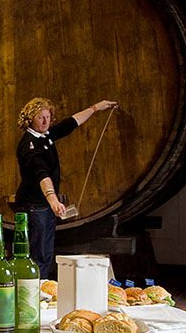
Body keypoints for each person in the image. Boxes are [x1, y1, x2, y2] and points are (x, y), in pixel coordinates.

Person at [15, 97, 118, 279]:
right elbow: (42, 173)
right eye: (41, 118)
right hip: (34, 205)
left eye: (48, 117)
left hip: (44, 205)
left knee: (46, 252)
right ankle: (31, 290)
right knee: (37, 252)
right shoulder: (29, 144)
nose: (46, 121)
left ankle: (42, 286)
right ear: (30, 119)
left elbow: (70, 123)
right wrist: (53, 199)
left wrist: (95, 108)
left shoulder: (45, 135)